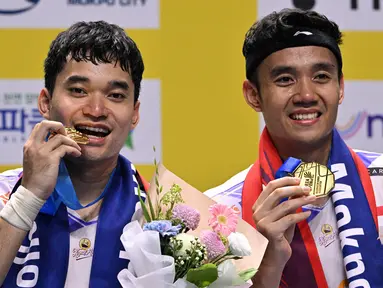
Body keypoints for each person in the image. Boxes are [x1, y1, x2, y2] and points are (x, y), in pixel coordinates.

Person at [205, 8, 383, 288]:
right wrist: (267, 268)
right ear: (254, 95)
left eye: (322, 76)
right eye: (285, 79)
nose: (307, 95)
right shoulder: (219, 215)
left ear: (340, 87)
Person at [0, 20, 149, 287]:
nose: (95, 110)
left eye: (115, 95)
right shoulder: (4, 195)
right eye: (79, 91)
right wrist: (29, 197)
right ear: (46, 102)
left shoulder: (160, 212)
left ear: (135, 113)